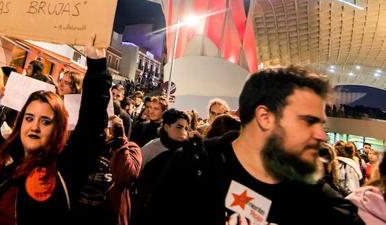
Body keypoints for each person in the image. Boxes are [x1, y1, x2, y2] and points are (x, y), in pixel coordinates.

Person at [144, 65, 364, 224]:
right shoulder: (194, 167)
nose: (321, 136)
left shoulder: (310, 194)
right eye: (308, 121)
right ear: (265, 117)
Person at [0, 23, 111, 225]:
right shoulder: (5, 156)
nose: (34, 127)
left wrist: (97, 66)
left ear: (57, 128)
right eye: (29, 118)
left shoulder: (66, 166)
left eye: (45, 121)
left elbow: (92, 123)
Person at [72, 115, 141, 225]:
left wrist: (119, 140)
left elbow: (126, 176)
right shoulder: (84, 145)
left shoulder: (131, 148)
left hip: (110, 217)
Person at [347, 152, 386, 224]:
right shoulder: (359, 200)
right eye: (370, 154)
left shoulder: (355, 202)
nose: (371, 156)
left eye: (373, 154)